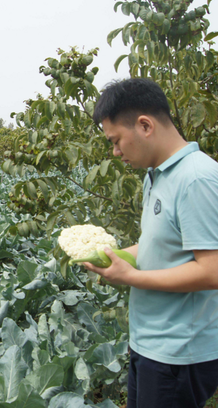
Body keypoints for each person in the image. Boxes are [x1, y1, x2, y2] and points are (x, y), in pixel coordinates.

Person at [85, 78, 218, 408]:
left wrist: (129, 277)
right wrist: (109, 256)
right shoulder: (157, 174)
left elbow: (213, 271)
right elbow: (159, 247)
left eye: (116, 141)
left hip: (179, 353)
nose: (115, 152)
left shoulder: (196, 178)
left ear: (144, 125)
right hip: (151, 343)